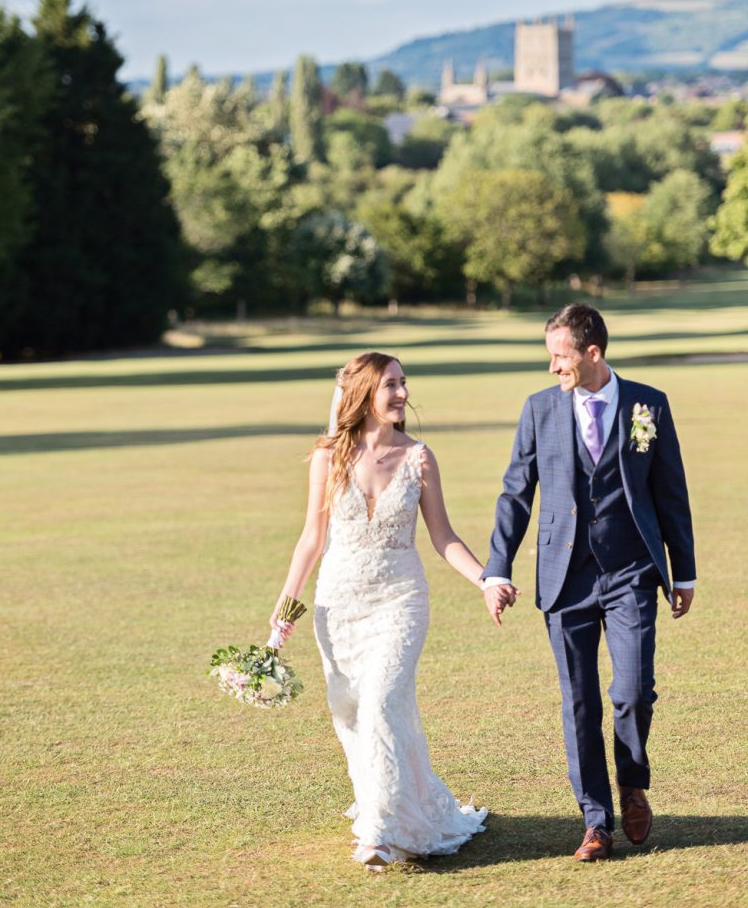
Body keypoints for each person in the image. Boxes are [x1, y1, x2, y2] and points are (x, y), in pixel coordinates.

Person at [481, 304, 696, 861]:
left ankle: (632, 782)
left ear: (592, 352)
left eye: (560, 355)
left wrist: (684, 570)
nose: (552, 367)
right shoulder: (539, 410)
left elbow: (670, 492)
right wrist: (497, 568)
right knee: (579, 703)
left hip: (632, 573)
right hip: (563, 578)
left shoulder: (649, 404)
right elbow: (515, 494)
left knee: (631, 692)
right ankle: (596, 820)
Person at [270, 351, 488, 870]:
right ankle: (398, 805)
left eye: (404, 383)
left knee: (383, 703)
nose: (402, 393)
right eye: (391, 384)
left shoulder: (419, 457)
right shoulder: (328, 458)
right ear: (363, 393)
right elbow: (311, 539)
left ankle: (378, 832)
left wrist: (487, 579)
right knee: (349, 711)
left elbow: (444, 537)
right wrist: (285, 607)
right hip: (337, 604)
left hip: (400, 602)